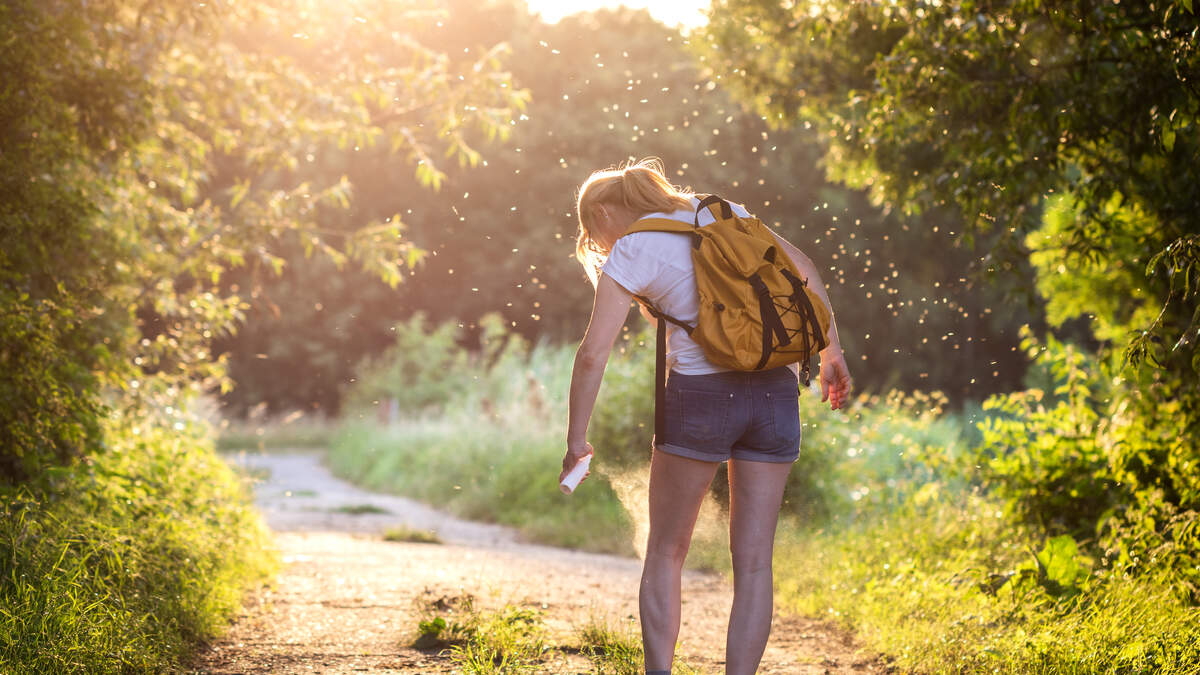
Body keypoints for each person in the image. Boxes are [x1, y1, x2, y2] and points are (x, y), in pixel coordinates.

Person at [560, 158, 852, 675]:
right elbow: (803, 268)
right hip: (775, 395)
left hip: (700, 397)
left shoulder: (634, 247)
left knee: (667, 552)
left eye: (592, 230)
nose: (597, 242)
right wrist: (832, 354)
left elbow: (592, 354)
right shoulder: (723, 211)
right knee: (755, 562)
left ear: (606, 211)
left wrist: (576, 438)